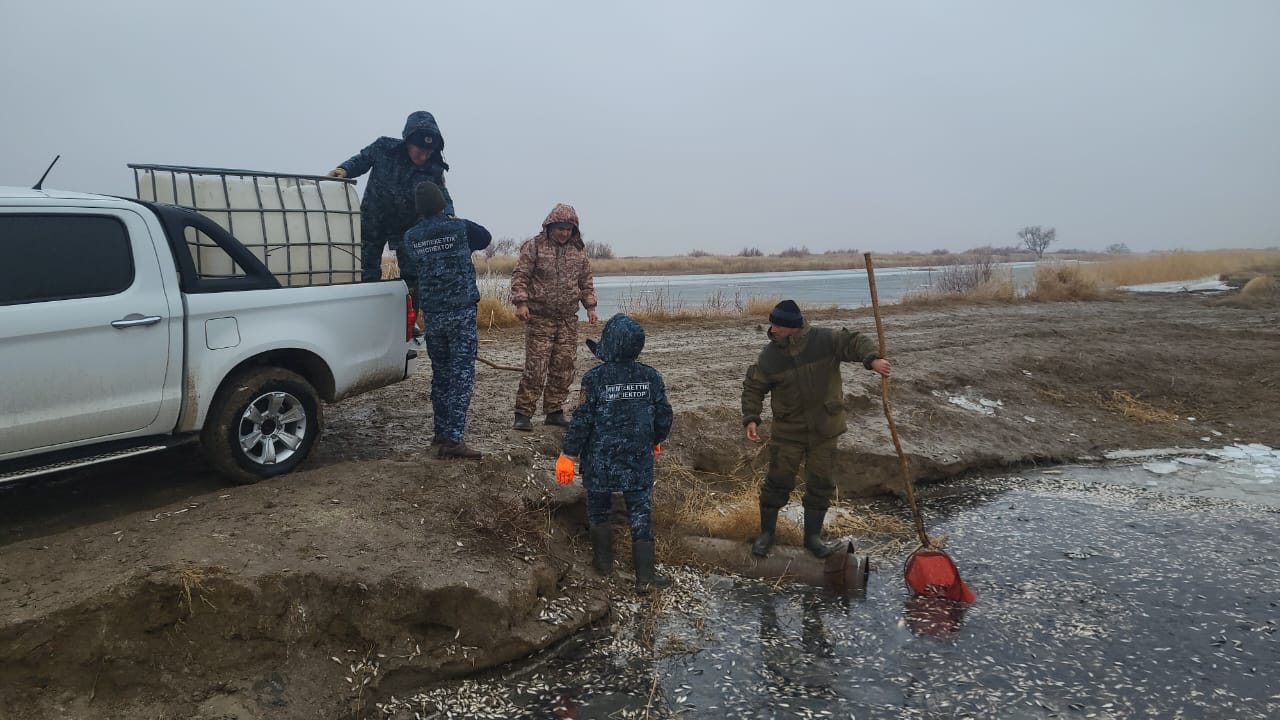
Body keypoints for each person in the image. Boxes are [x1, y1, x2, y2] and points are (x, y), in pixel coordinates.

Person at [741, 300, 891, 558]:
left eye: (776, 324)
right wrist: (752, 418)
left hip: (825, 431)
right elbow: (754, 387)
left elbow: (854, 342)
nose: (772, 329)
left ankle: (813, 539)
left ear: (791, 327)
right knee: (777, 483)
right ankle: (767, 535)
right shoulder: (770, 356)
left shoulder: (825, 340)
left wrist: (873, 360)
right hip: (789, 433)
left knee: (820, 484)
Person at [555, 313, 673, 590]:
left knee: (598, 511)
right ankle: (646, 577)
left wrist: (568, 456)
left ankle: (602, 565)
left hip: (599, 461)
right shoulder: (651, 377)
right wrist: (655, 439)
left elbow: (582, 420)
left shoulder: (594, 379)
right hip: (638, 460)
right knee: (640, 514)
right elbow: (664, 416)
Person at [328, 111, 454, 317]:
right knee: (367, 271)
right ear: (408, 142)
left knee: (413, 276)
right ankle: (368, 316)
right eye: (420, 150)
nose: (423, 157)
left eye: (428, 152)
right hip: (373, 221)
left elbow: (441, 193)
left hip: (409, 227)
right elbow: (362, 159)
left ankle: (409, 321)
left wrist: (449, 213)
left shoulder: (433, 167)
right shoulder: (383, 147)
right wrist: (344, 169)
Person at [400, 181, 490, 459]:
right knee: (461, 375)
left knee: (440, 375)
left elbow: (414, 263)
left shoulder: (411, 237)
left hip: (434, 315)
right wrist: (454, 220)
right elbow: (484, 238)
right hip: (461, 312)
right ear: (442, 203)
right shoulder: (460, 228)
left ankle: (440, 432)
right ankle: (453, 440)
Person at [509, 203, 598, 431]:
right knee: (536, 367)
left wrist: (590, 307)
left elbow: (586, 281)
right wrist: (521, 303)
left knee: (564, 366)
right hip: (539, 318)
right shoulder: (534, 246)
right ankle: (523, 414)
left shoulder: (578, 250)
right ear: (550, 226)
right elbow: (520, 276)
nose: (564, 233)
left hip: (568, 320)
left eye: (568, 229)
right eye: (560, 228)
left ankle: (554, 411)